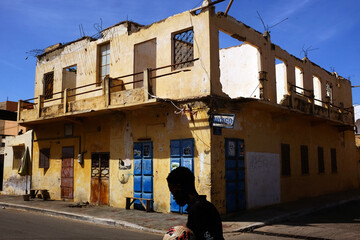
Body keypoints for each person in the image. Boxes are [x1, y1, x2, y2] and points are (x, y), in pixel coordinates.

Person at [167, 166, 224, 240]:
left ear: (180, 188)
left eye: (173, 192)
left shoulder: (200, 209)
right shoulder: (201, 206)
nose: (173, 197)